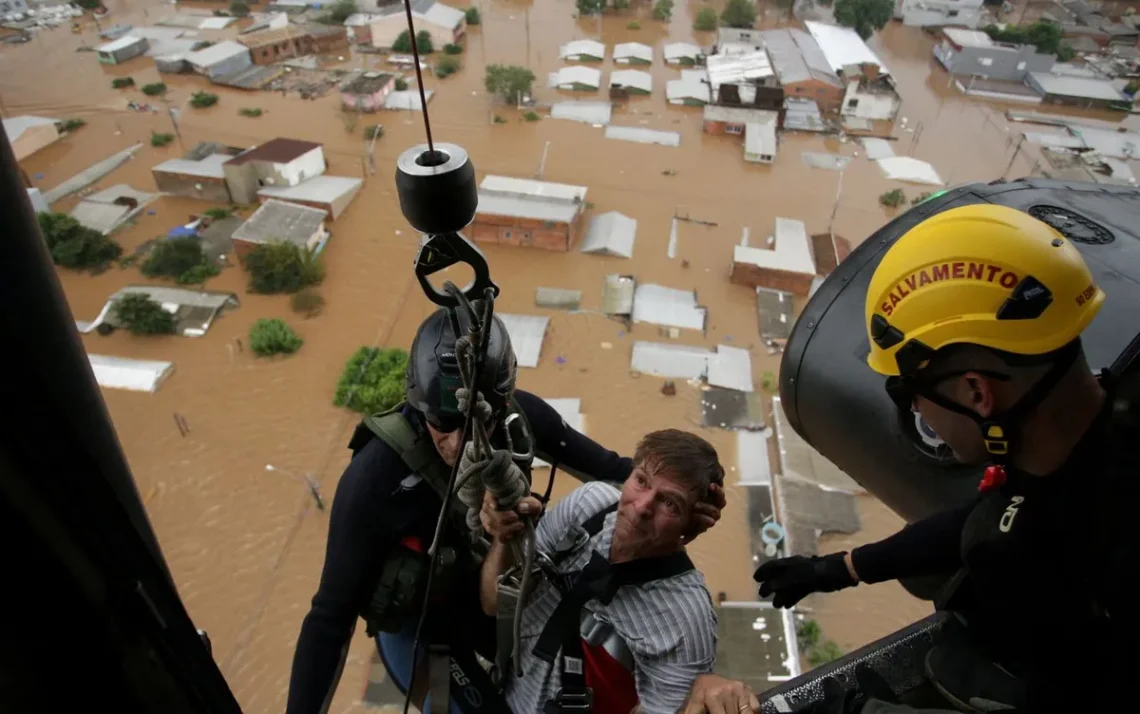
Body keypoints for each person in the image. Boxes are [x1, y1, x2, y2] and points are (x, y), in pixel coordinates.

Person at [753, 205, 1138, 712]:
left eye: (907, 391)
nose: (914, 410)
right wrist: (841, 568)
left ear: (976, 392)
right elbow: (991, 512)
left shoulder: (1067, 564)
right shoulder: (1098, 433)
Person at [286, 307, 726, 714]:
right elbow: (329, 617)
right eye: (443, 422)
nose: (459, 443)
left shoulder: (520, 421)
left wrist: (692, 501)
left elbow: (619, 474)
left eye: (478, 421)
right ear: (418, 406)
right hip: (423, 629)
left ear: (499, 403)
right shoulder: (374, 479)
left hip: (493, 611)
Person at [480, 430, 730, 714]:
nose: (641, 508)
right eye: (641, 481)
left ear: (691, 526)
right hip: (506, 692)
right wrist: (506, 535)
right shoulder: (587, 508)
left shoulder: (685, 622)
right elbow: (493, 603)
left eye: (670, 503)